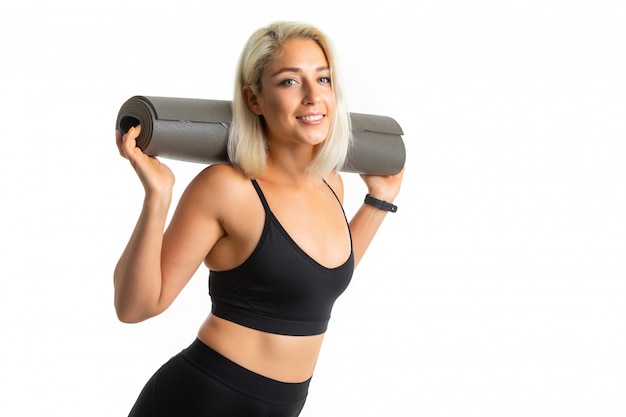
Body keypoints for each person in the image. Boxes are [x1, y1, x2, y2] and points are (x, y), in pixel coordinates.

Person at [114, 21, 404, 417]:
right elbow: (136, 307)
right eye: (289, 82)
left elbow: (319, 278)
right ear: (253, 99)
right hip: (201, 400)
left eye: (323, 79)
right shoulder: (226, 188)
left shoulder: (332, 184)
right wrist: (158, 196)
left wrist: (378, 201)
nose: (313, 97)